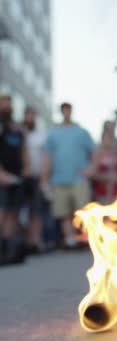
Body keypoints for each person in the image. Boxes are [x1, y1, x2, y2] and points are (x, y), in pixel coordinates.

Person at [42, 102, 95, 249]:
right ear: (61, 112)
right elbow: (47, 156)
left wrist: (92, 168)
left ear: (71, 111)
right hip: (59, 179)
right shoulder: (53, 133)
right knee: (63, 212)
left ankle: (86, 239)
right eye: (63, 110)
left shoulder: (81, 132)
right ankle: (70, 240)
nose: (66, 112)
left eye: (68, 110)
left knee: (83, 211)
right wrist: (44, 178)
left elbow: (95, 151)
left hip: (79, 179)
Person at [0, 95, 29, 264]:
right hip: (2, 178)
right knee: (2, 213)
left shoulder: (16, 128)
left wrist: (26, 167)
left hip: (17, 178)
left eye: (8, 103)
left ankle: (6, 249)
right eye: (3, 103)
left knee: (12, 214)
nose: (6, 106)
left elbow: (23, 150)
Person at [22, 107, 48, 253]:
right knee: (20, 211)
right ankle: (21, 242)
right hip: (21, 177)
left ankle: (35, 241)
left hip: (37, 177)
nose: (29, 118)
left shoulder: (41, 135)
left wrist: (44, 177)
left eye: (32, 115)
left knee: (37, 211)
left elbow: (46, 157)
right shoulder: (18, 133)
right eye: (27, 115)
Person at [90, 129, 117, 204]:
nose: (108, 141)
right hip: (101, 191)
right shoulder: (98, 154)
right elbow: (93, 173)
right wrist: (105, 177)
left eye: (110, 139)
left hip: (115, 192)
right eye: (106, 139)